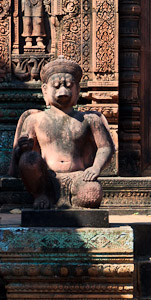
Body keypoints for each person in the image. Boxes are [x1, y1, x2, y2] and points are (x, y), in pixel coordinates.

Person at [9, 57, 114, 209]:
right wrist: (23, 148)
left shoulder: (90, 119)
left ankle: (74, 199)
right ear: (45, 89)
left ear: (77, 89)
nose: (62, 90)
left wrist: (95, 168)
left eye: (68, 85)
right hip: (45, 179)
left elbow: (106, 147)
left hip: (79, 176)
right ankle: (41, 194)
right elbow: (23, 155)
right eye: (56, 86)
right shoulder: (35, 120)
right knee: (29, 158)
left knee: (92, 194)